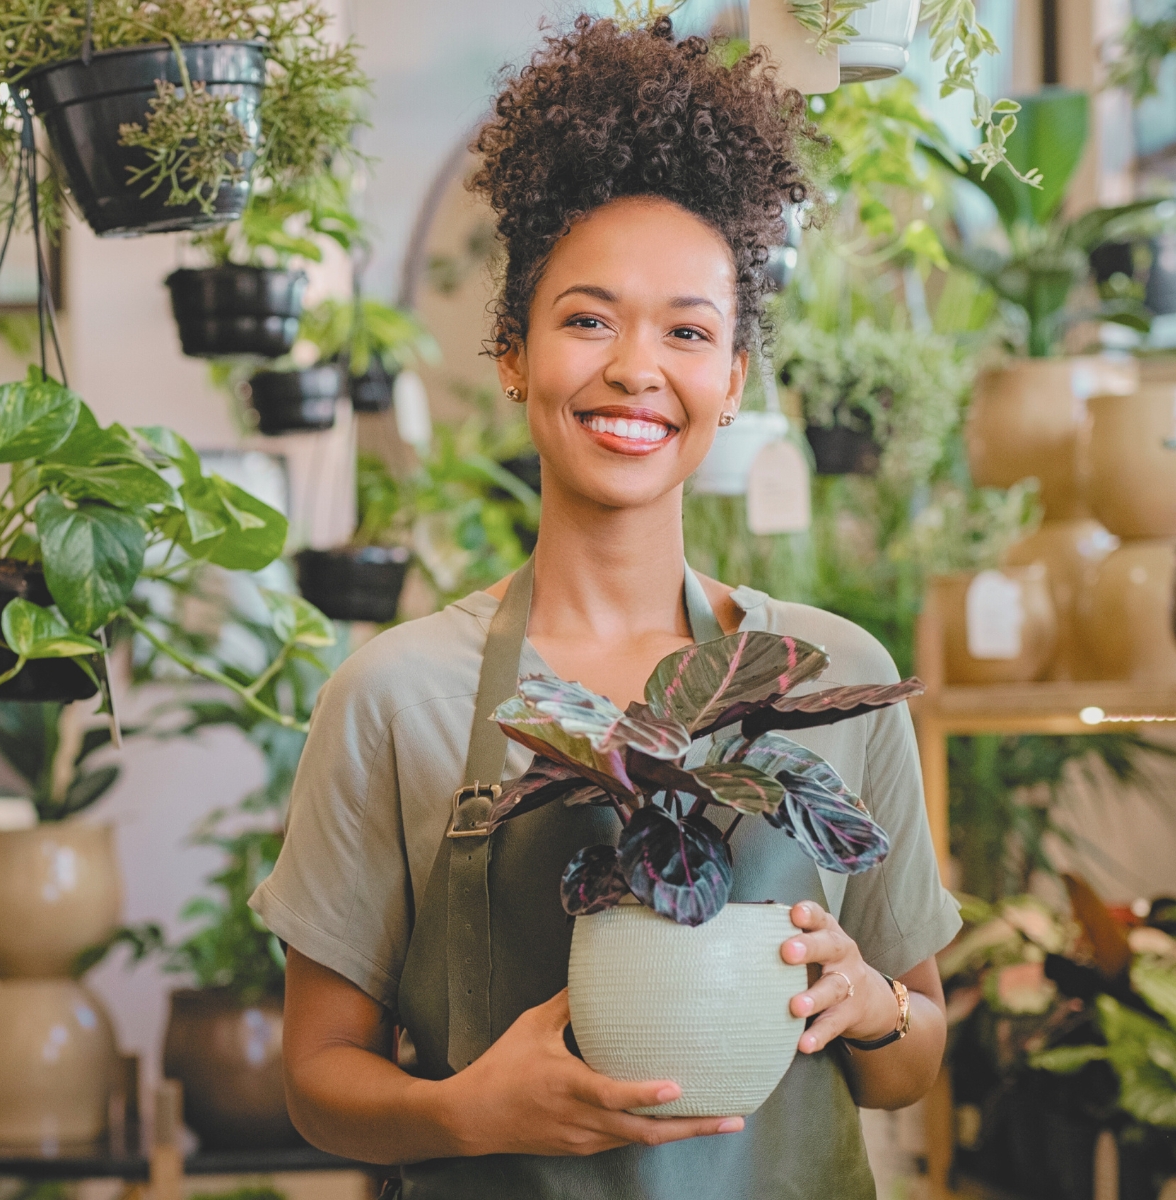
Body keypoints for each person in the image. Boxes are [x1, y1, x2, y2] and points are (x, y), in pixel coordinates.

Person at [251, 15, 961, 1199]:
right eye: (588, 319)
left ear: (732, 379)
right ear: (515, 351)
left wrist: (871, 1000)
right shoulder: (395, 698)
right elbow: (319, 1080)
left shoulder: (829, 673)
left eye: (688, 331)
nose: (638, 368)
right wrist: (464, 1114)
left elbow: (909, 1065)